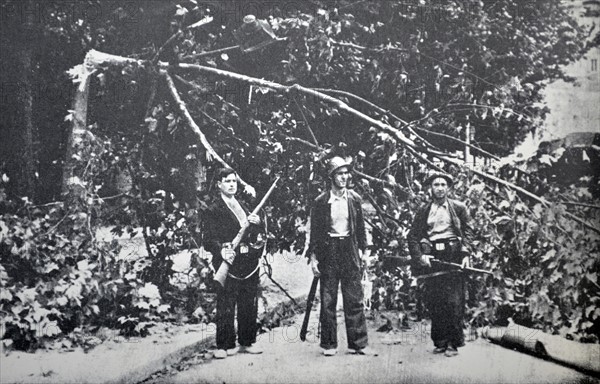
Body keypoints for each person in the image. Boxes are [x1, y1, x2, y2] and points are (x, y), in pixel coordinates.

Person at [308, 156, 377, 357]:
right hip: (329, 250)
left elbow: (361, 229)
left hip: (349, 249)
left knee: (354, 297)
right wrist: (313, 258)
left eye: (346, 173)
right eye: (340, 173)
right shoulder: (321, 202)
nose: (344, 177)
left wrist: (365, 252)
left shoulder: (354, 199)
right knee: (328, 299)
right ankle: (329, 344)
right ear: (331, 176)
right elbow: (315, 233)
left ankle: (358, 344)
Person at [407, 172, 473, 357]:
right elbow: (413, 236)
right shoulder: (424, 211)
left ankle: (453, 342)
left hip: (453, 254)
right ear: (430, 188)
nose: (440, 188)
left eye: (443, 184)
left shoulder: (459, 208)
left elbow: (468, 232)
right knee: (436, 300)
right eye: (436, 184)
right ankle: (441, 341)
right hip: (433, 256)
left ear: (449, 188)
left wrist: (466, 254)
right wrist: (421, 256)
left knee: (454, 301)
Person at [204, 167, 265, 359]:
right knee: (226, 303)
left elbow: (254, 234)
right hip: (228, 262)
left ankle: (247, 342)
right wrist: (221, 250)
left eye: (234, 181)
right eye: (227, 181)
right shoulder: (213, 209)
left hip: (247, 261)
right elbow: (208, 239)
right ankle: (224, 344)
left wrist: (257, 222)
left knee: (248, 302)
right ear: (219, 184)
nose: (232, 184)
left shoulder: (243, 205)